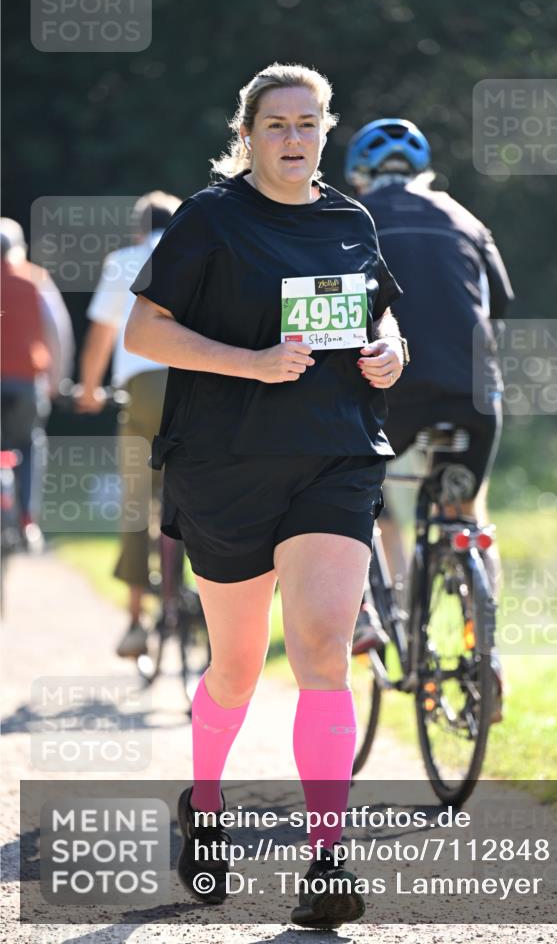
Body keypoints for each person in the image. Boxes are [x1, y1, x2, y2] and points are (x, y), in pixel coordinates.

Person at [124, 64, 406, 928]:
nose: (293, 137)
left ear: (327, 131)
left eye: (308, 122)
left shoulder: (349, 218)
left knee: (322, 652)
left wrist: (390, 351)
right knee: (239, 672)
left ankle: (326, 861)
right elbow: (145, 330)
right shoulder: (211, 219)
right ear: (246, 133)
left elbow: (380, 313)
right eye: (276, 123)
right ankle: (203, 805)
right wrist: (249, 363)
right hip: (227, 462)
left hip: (334, 453)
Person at [345, 119, 515, 715]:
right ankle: (487, 650)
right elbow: (498, 305)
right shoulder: (465, 217)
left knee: (346, 489)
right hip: (475, 391)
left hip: (398, 383)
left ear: (360, 175)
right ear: (424, 173)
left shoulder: (351, 216)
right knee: (466, 510)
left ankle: (364, 614)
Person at [77, 191, 181, 657]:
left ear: (139, 229)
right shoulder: (194, 253)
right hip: (196, 389)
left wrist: (88, 389)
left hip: (142, 391)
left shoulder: (124, 260)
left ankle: (137, 620)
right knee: (200, 495)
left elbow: (103, 332)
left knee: (137, 502)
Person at [1, 217, 75, 549]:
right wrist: (56, 381)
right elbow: (57, 333)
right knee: (29, 442)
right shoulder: (35, 280)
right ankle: (28, 519)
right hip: (25, 382)